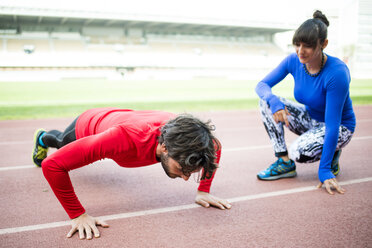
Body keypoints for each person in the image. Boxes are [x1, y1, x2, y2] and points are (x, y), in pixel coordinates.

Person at [32, 107, 231, 240]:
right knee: (60, 145)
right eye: (181, 169)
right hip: (89, 124)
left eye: (190, 172)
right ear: (164, 148)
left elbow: (215, 148)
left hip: (124, 117)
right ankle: (42, 138)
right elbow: (52, 165)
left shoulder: (199, 144)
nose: (186, 178)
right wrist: (77, 215)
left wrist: (203, 190)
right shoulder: (123, 138)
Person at [255, 10, 356, 195]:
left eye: (308, 46)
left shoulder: (337, 73)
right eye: (297, 44)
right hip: (311, 119)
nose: (300, 51)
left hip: (340, 127)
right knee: (266, 103)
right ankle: (284, 162)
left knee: (299, 152)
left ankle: (332, 154)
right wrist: (274, 101)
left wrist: (324, 170)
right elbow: (262, 85)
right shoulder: (294, 60)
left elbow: (332, 125)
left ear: (323, 44)